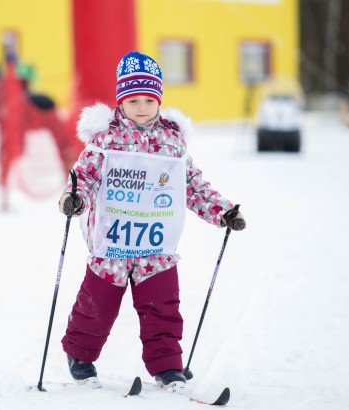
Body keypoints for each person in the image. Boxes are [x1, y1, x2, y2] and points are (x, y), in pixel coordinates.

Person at [58, 51, 246, 390]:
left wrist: (223, 211)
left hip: (155, 243)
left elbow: (191, 184)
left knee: (162, 307)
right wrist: (75, 197)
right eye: (133, 100)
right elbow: (83, 175)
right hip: (112, 241)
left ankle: (167, 366)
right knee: (97, 306)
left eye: (149, 99)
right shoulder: (106, 138)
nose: (142, 107)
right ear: (121, 100)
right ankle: (80, 355)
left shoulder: (171, 142)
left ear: (158, 100)